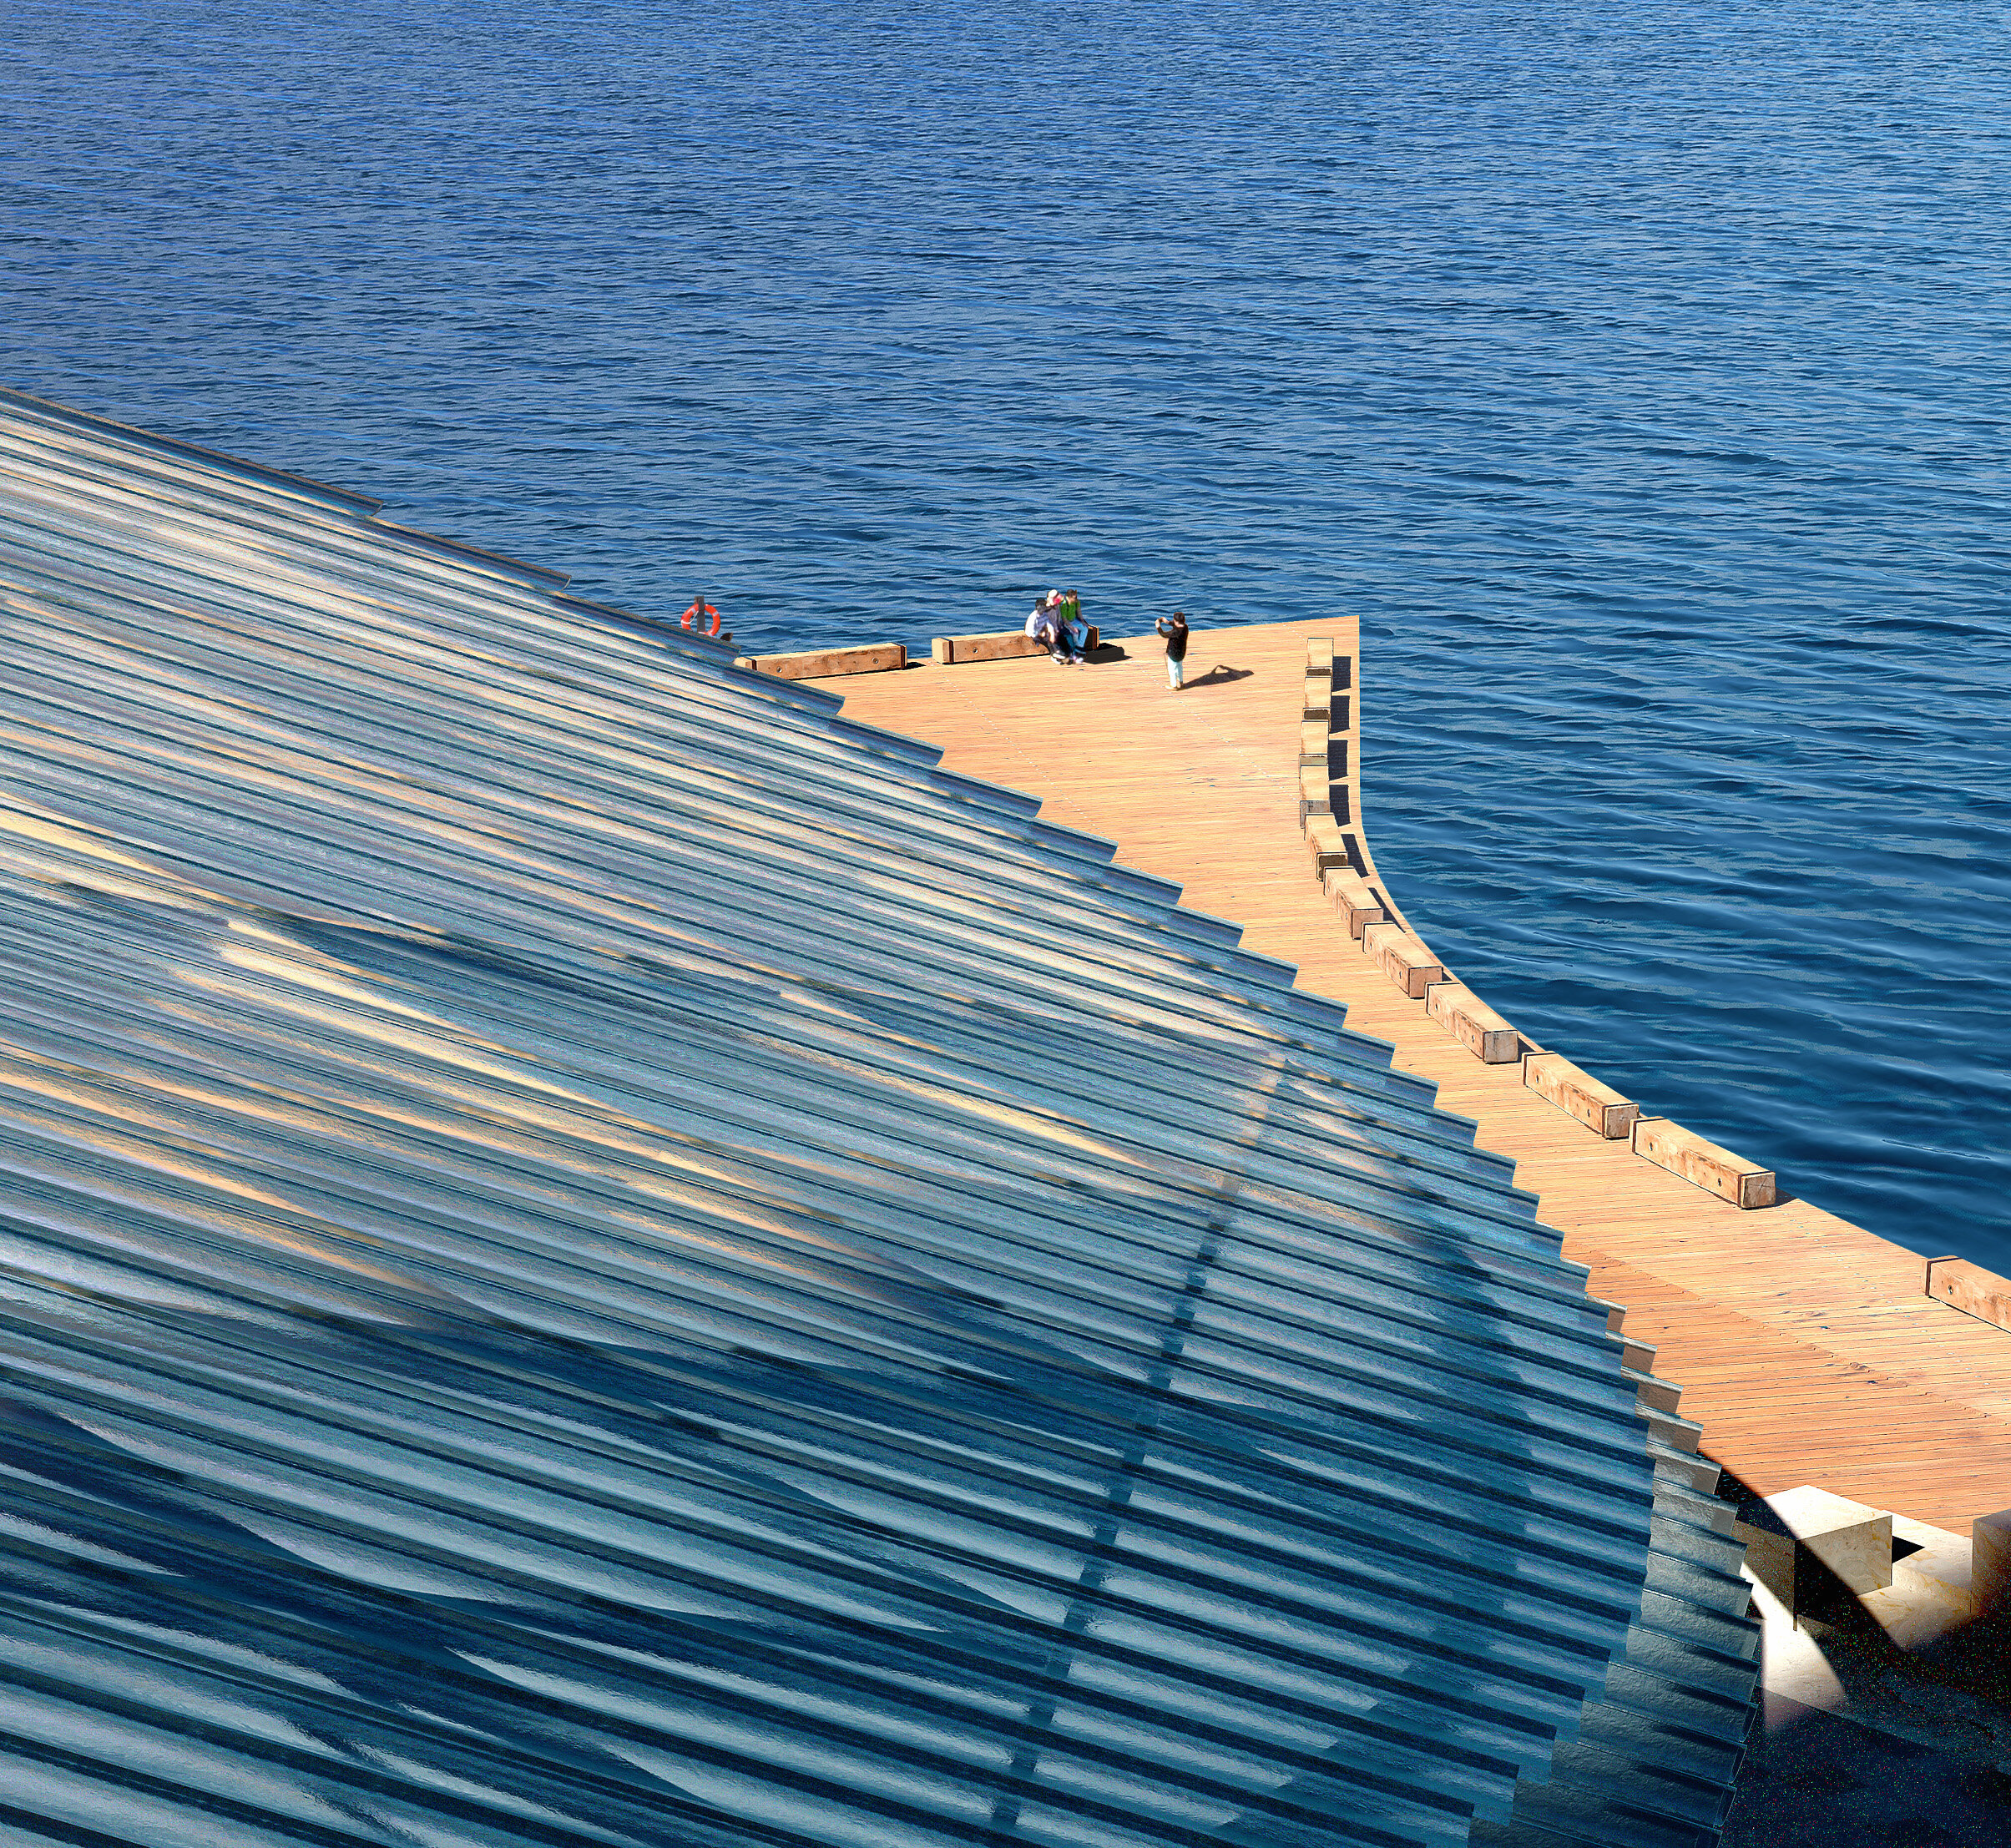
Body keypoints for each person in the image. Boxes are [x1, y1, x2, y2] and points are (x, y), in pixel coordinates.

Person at [1155, 609, 1190, 690]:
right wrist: (1166, 622)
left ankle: (1174, 686)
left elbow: (1164, 634)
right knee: (1179, 667)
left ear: (1176, 621)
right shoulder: (1185, 627)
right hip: (1181, 653)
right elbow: (1176, 625)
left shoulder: (1175, 632)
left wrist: (1158, 627)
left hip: (1174, 653)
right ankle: (1181, 683)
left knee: (1172, 669)